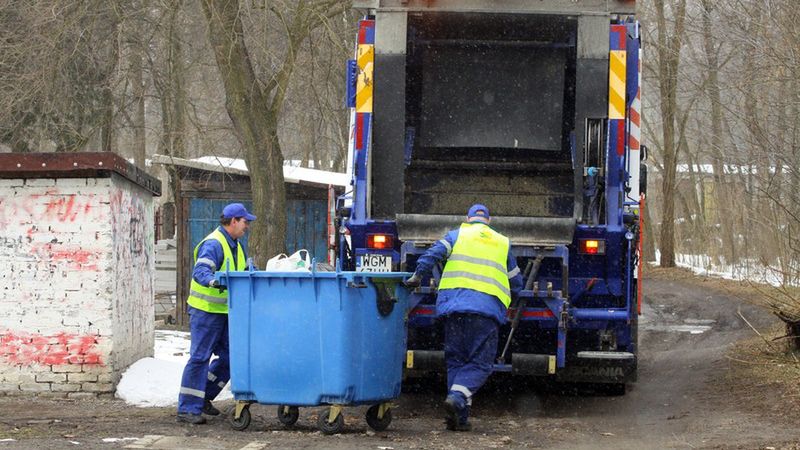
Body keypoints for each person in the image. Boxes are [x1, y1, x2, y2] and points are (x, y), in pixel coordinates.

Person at [404, 204, 523, 431]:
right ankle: (458, 399)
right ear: (489, 221)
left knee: (456, 361)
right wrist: (514, 299)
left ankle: (459, 418)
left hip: (454, 310)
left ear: (467, 219)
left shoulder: (456, 235)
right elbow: (515, 280)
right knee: (480, 364)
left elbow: (432, 254)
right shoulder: (502, 242)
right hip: (485, 312)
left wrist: (418, 275)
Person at [177, 203, 256, 424]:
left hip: (225, 312)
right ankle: (187, 409)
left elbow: (239, 273)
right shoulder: (214, 243)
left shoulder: (236, 245)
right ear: (233, 221)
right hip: (205, 311)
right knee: (200, 358)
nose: (247, 226)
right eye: (245, 221)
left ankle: (203, 397)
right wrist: (213, 281)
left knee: (231, 357)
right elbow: (201, 271)